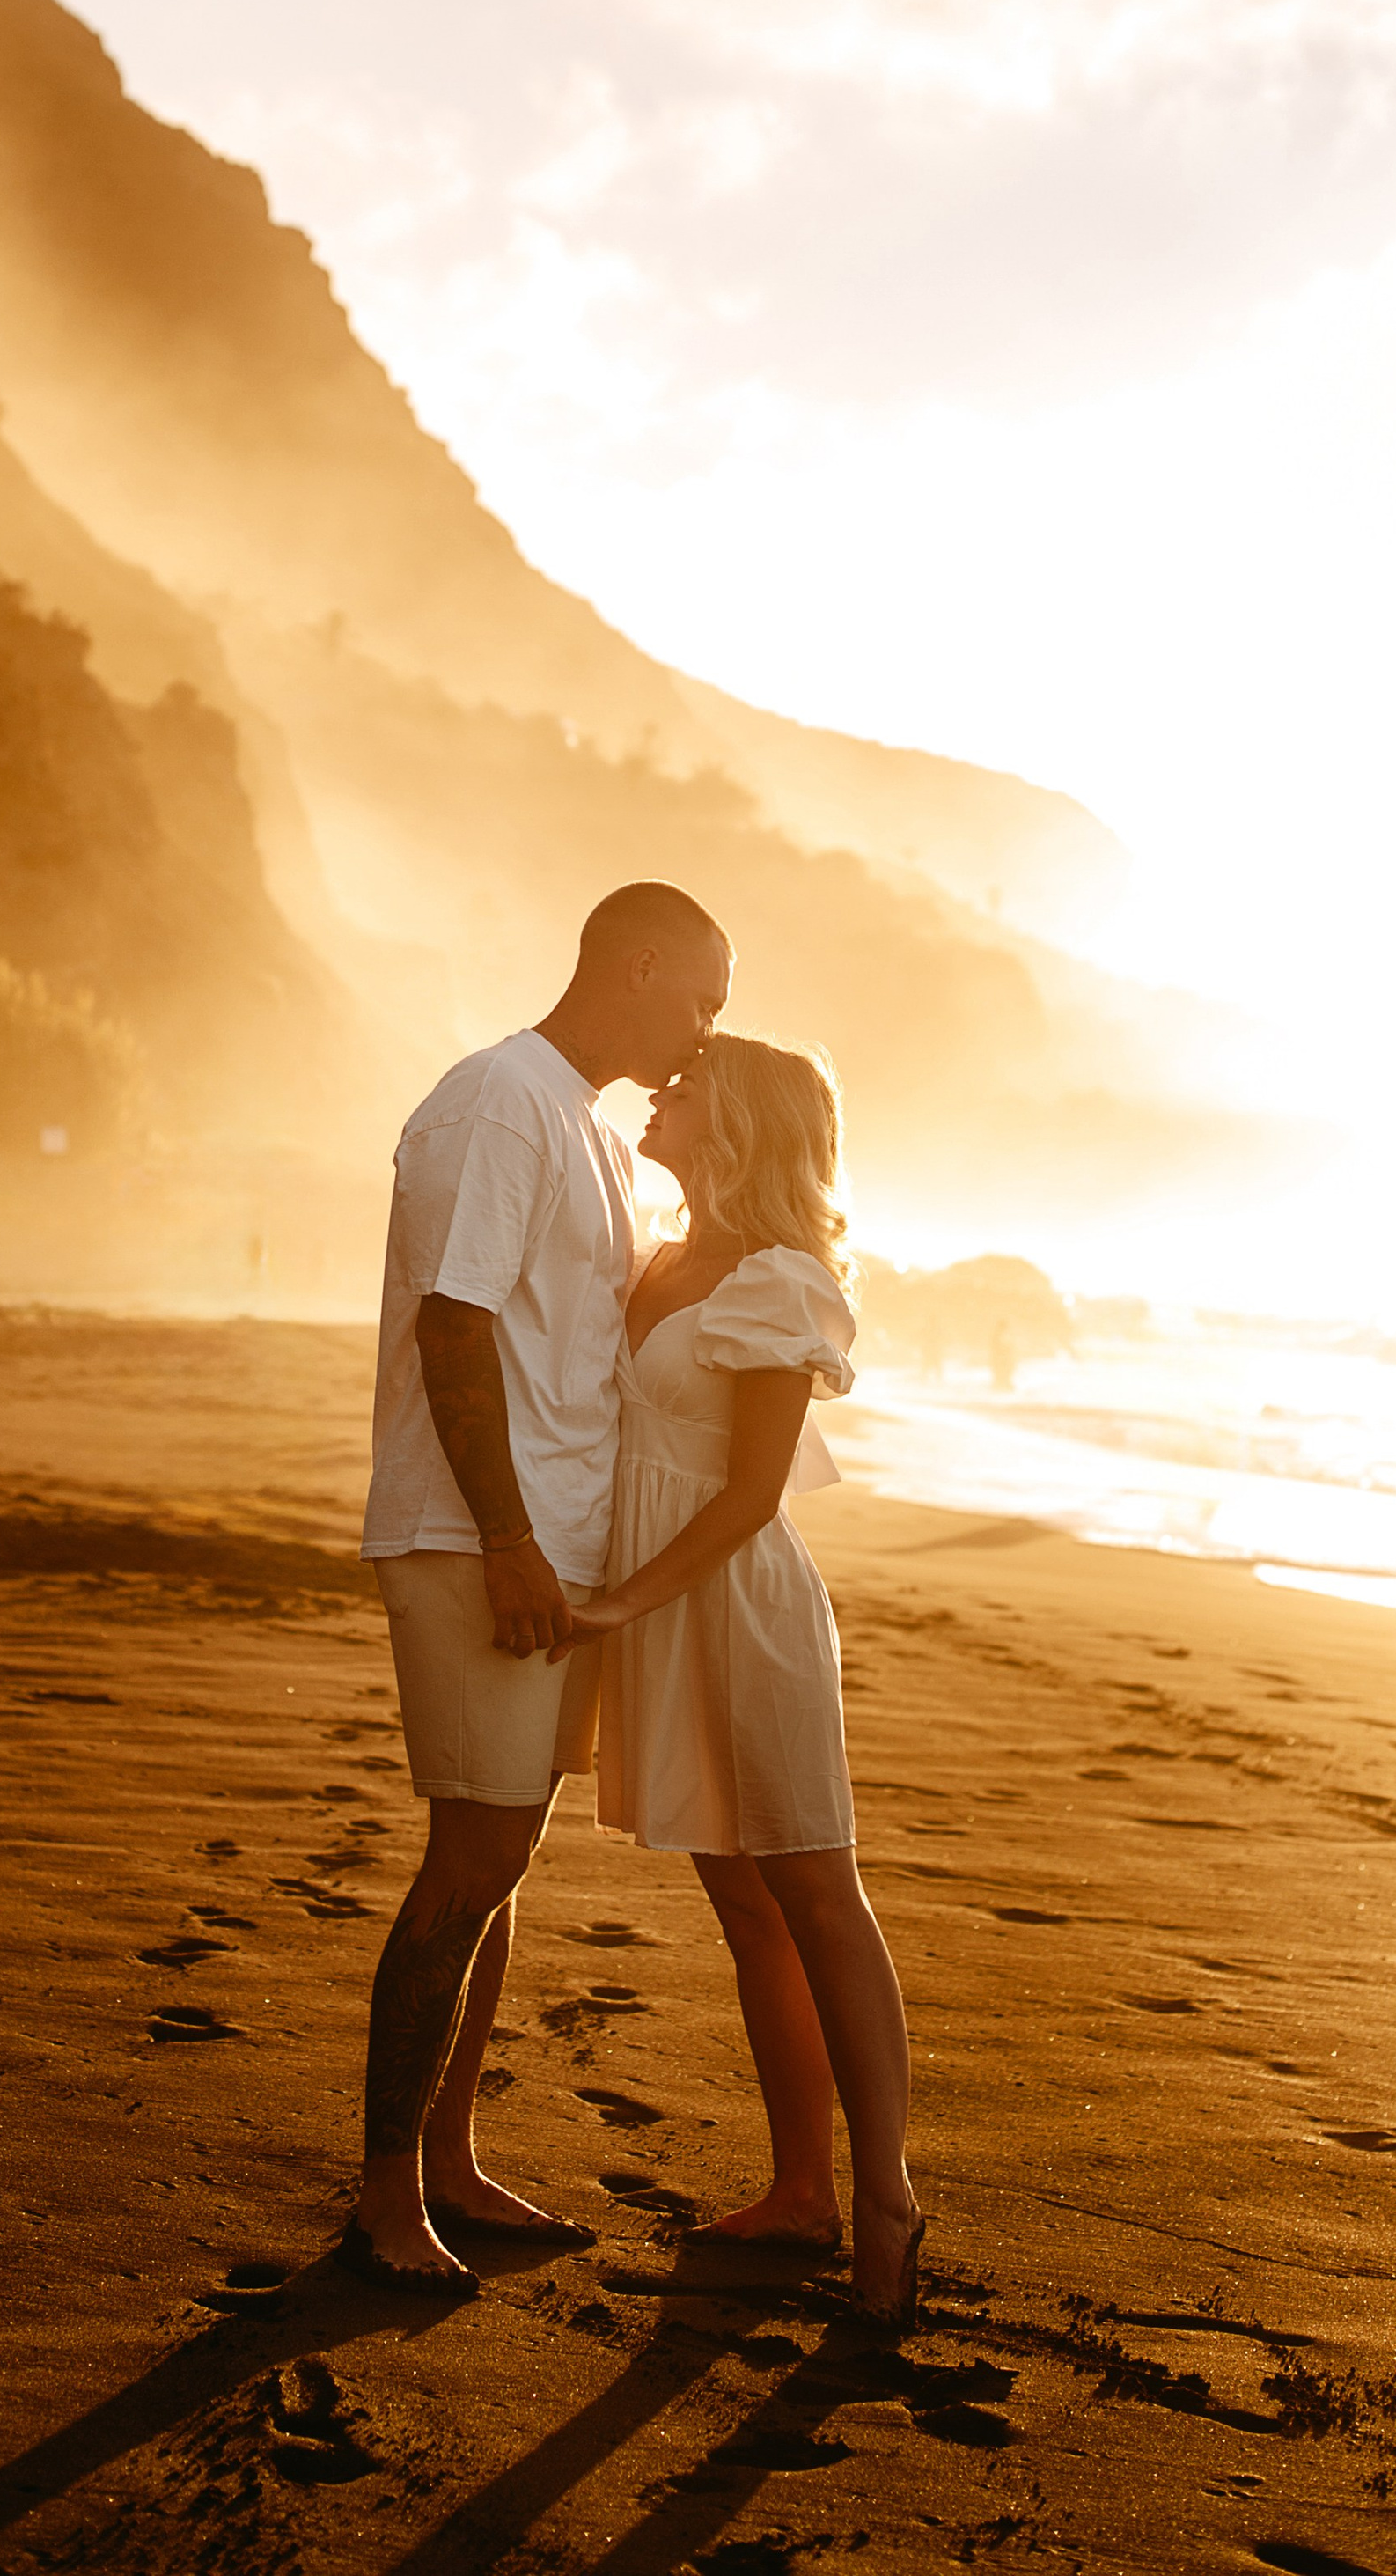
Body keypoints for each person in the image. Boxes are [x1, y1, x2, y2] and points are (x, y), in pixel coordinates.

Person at [344, 880, 736, 2292]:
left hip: (556, 1545)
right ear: (637, 967)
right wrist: (507, 1537)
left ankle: (450, 2158)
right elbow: (455, 1329)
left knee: (504, 1860)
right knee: (468, 1862)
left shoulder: (588, 1126)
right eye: (699, 999)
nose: (703, 1032)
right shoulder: (497, 1102)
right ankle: (390, 2195)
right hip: (476, 1543)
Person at [562, 1033, 924, 2326]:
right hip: (656, 1601)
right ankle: (799, 2193)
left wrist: (615, 1599)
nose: (662, 1086)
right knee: (746, 1908)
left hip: (736, 1604)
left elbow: (750, 1495)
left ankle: (883, 2196)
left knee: (818, 1894)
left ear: (747, 1118)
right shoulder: (656, 1258)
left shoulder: (778, 1280)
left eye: (690, 1077)